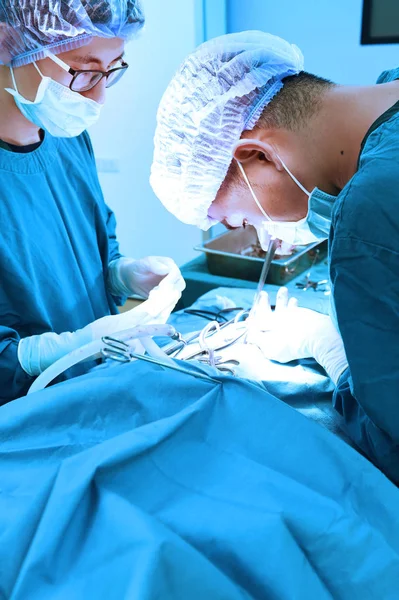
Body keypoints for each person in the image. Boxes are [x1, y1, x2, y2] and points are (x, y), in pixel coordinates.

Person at [150, 31, 399, 483]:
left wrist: (333, 350)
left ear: (256, 155)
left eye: (239, 220)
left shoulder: (371, 209)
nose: (261, 234)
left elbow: (393, 448)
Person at [0, 0, 184, 402]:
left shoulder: (69, 141)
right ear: (6, 42)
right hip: (20, 422)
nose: (98, 98)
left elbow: (95, 248)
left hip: (97, 389)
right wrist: (40, 355)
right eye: (84, 72)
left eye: (111, 70)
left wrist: (122, 274)